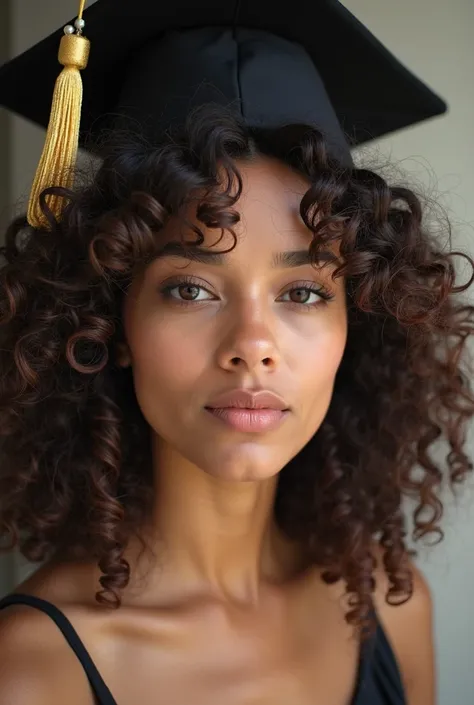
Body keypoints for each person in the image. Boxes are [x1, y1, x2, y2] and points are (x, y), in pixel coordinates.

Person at [0, 1, 472, 703]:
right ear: (109, 323)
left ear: (359, 322)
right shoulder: (32, 670)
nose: (252, 346)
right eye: (190, 289)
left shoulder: (390, 607)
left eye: (305, 293)